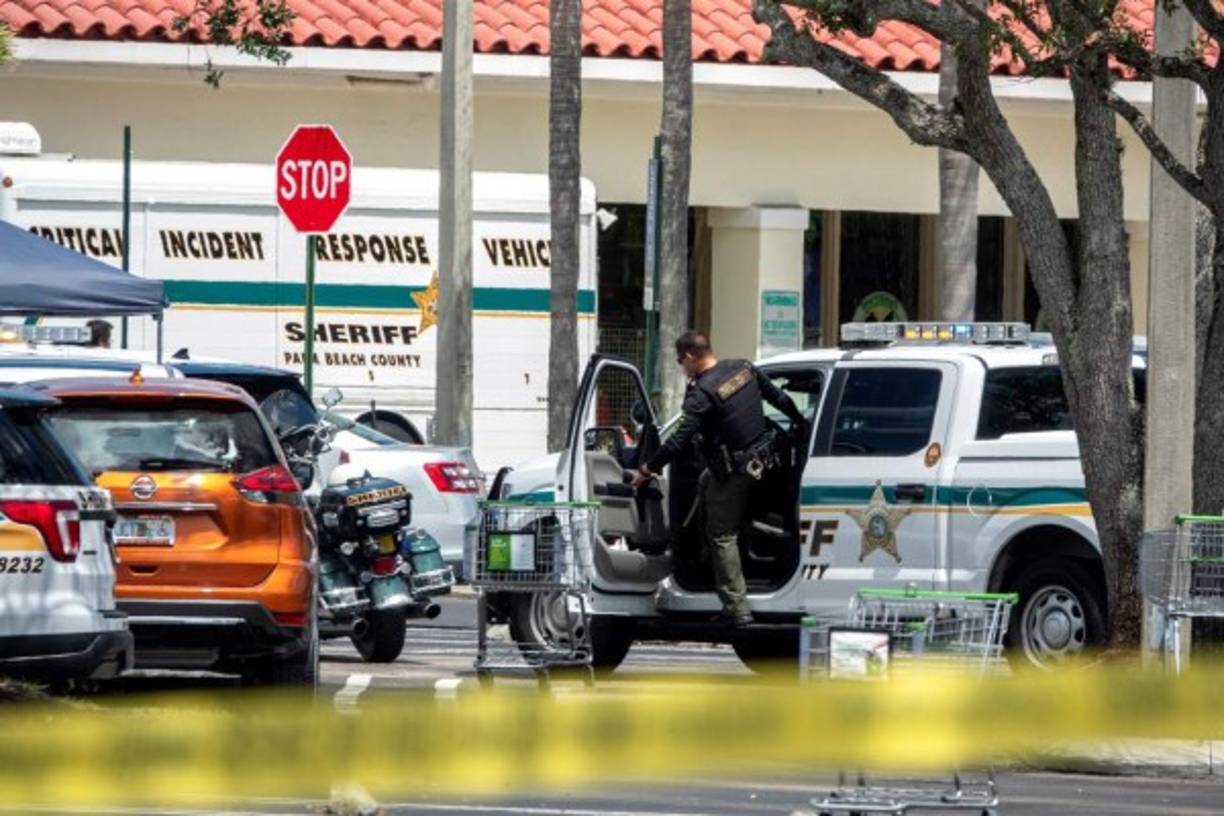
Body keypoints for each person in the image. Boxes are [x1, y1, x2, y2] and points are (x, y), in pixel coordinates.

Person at [632, 331, 806, 626]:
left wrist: (648, 469)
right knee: (704, 482)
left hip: (736, 472)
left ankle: (736, 608)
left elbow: (678, 440)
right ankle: (701, 557)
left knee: (721, 533)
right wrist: (802, 424)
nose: (681, 367)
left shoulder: (703, 392)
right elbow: (779, 399)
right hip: (767, 460)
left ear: (690, 357)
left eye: (680, 361)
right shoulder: (743, 368)